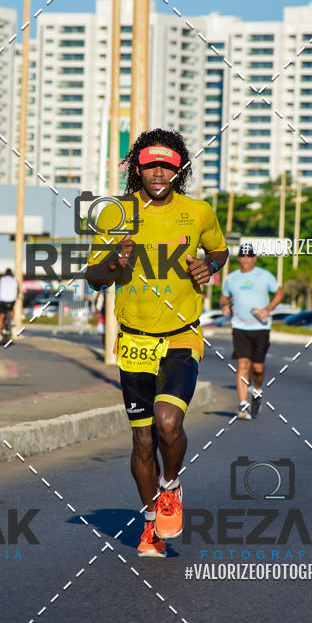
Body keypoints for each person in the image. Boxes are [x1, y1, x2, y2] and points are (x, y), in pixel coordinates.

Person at [86, 129, 229, 558]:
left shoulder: (198, 212)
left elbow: (219, 252)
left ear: (180, 168)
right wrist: (113, 262)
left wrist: (209, 265)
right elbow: (93, 277)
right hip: (134, 340)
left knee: (169, 423)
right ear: (137, 168)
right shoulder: (117, 213)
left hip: (182, 334)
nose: (159, 172)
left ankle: (171, 486)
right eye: (151, 164)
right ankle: (150, 521)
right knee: (143, 442)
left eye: (168, 164)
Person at [220, 244, 284, 420]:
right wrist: (225, 306)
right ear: (239, 258)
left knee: (257, 368)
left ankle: (256, 390)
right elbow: (224, 298)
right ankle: (242, 405)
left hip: (261, 328)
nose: (246, 259)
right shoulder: (231, 278)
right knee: (242, 365)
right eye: (243, 255)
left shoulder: (264, 275)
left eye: (249, 256)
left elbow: (279, 293)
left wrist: (267, 309)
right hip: (240, 327)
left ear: (254, 258)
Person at [0, 268, 18, 343]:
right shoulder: (15, 280)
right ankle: (12, 320)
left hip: (3, 300)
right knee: (12, 309)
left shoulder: (2, 279)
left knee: (0, 318)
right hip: (11, 300)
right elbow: (17, 290)